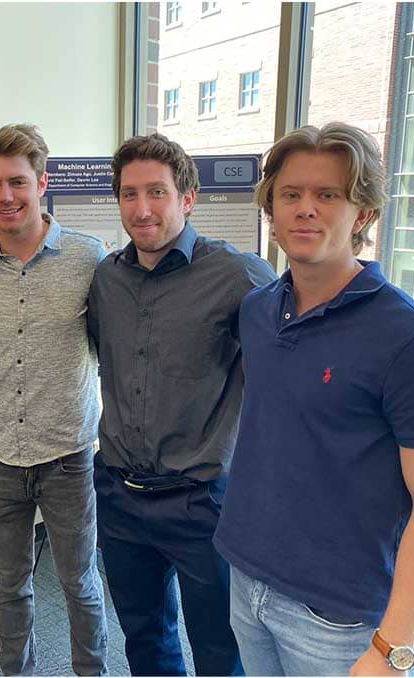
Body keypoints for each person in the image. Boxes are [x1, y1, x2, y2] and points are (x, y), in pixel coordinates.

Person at [213, 122, 414, 676]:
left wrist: (392, 649)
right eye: (291, 194)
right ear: (272, 210)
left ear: (363, 215)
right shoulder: (258, 312)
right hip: (247, 578)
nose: (305, 209)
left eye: (327, 195)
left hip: (336, 618)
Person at [87, 133, 276, 676]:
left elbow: (281, 374)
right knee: (145, 639)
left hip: (203, 503)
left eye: (157, 193)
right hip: (120, 497)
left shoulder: (239, 275)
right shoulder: (106, 278)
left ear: (187, 198)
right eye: (128, 194)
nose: (141, 209)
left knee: (220, 648)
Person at [0, 124, 108, 676]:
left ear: (43, 183)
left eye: (17, 182)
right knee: (9, 588)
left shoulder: (90, 258)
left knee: (80, 584)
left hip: (67, 457)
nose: (5, 196)